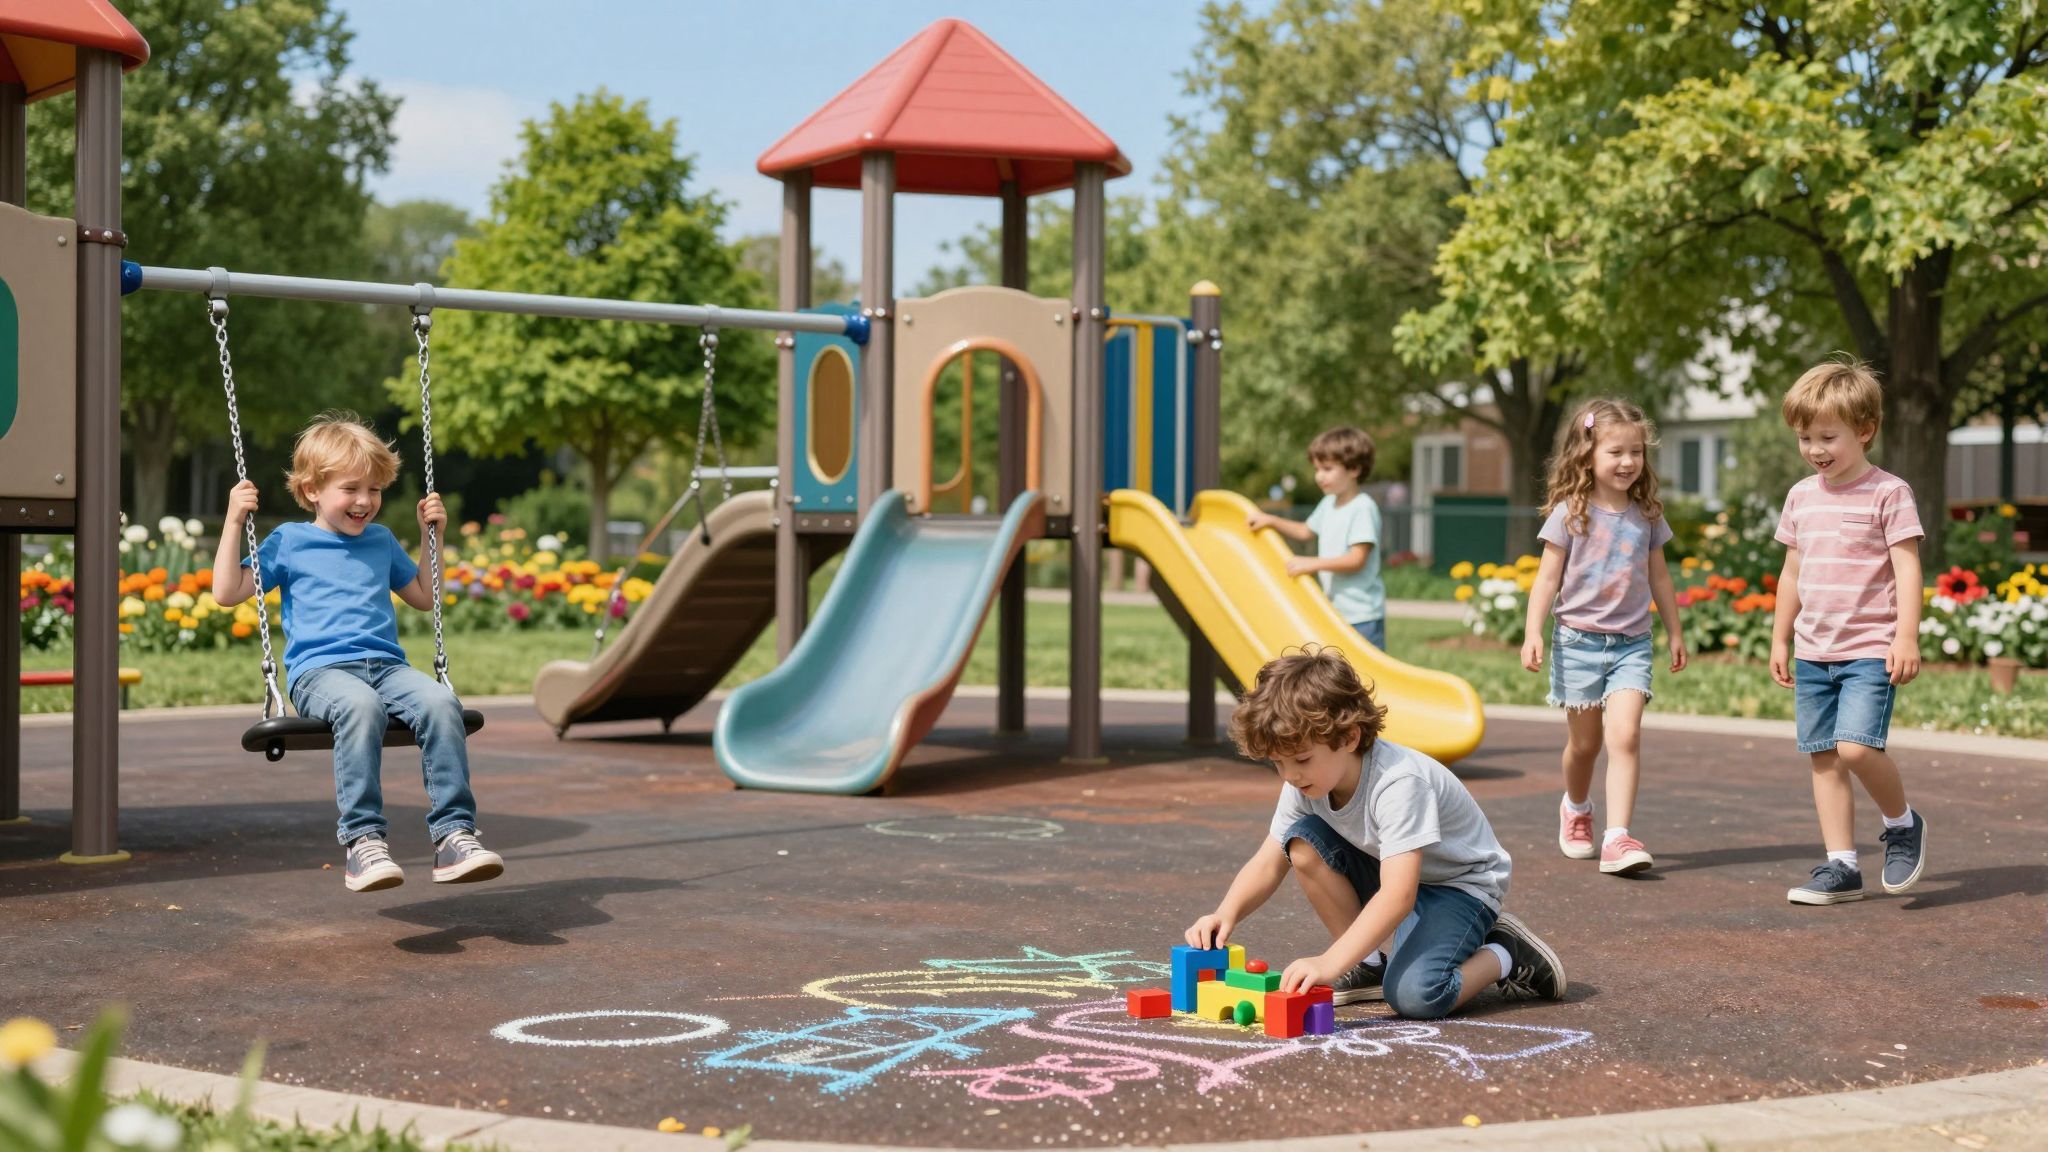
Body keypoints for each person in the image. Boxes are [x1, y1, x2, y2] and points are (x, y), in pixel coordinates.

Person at [1184, 647, 1566, 1018]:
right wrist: (1225, 913)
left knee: (1416, 996)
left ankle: (1506, 951)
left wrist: (1330, 962)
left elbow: (1399, 895)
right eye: (1277, 763)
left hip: (1460, 886)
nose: (1289, 775)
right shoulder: (1305, 782)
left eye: (1300, 759)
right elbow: (1269, 862)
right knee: (1300, 841)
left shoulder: (1398, 782)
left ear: (1349, 738)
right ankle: (1367, 965)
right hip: (1393, 870)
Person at [213, 411, 502, 893]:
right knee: (360, 707)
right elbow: (227, 591)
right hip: (321, 674)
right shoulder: (290, 541)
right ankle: (363, 842)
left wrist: (436, 537)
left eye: (374, 489)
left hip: (387, 668)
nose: (364, 501)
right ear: (312, 491)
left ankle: (454, 834)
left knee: (440, 703)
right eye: (350, 489)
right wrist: (233, 518)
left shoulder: (381, 541)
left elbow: (424, 596)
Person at [1769, 360, 1928, 905]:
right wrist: (1779, 638)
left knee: (1857, 750)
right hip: (1814, 649)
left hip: (1868, 648)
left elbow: (1907, 567)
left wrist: (1906, 635)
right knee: (1824, 757)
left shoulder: (1889, 493)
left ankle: (1903, 823)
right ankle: (1841, 866)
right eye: (1805, 437)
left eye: (1828, 436)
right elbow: (1792, 572)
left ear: (1865, 430)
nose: (1815, 448)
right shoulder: (1800, 497)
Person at [1521, 398, 1688, 876]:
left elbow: (1660, 579)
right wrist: (1534, 631)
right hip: (1577, 644)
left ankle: (1618, 836)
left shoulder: (1647, 513)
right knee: (1586, 746)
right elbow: (1547, 580)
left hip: (1631, 644)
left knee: (1626, 736)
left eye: (1636, 452)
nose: (1628, 461)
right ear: (1587, 453)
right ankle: (1576, 806)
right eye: (1616, 452)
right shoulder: (1570, 513)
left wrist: (1675, 631)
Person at [1247, 427, 1388, 649]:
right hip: (1335, 611)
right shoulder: (1328, 504)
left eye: (1327, 469)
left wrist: (1313, 563)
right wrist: (1272, 521)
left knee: (1364, 676)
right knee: (1338, 672)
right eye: (1317, 469)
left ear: (1354, 469)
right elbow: (1305, 531)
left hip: (1362, 615)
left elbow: (1356, 560)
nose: (1319, 476)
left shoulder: (1362, 508)